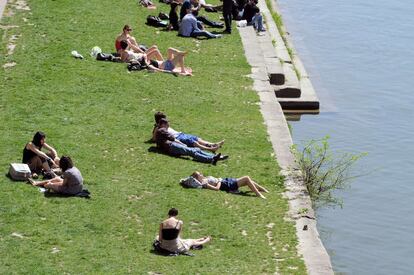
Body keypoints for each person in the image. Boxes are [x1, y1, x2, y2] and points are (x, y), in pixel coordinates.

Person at [154, 119, 228, 164]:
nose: (168, 125)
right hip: (171, 147)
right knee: (191, 152)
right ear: (163, 124)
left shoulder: (159, 130)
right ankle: (211, 159)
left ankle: (214, 157)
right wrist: (183, 144)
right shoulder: (162, 130)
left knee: (196, 149)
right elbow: (173, 139)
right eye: (167, 124)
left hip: (171, 146)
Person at [152, 112, 224, 152]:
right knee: (194, 143)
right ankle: (210, 149)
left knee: (197, 139)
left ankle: (213, 144)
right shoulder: (158, 128)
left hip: (180, 134)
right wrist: (157, 126)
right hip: (177, 137)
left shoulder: (164, 123)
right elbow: (154, 139)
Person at [192, 171, 269, 199]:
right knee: (246, 178)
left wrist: (219, 180)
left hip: (226, 181)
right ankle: (258, 194)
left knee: (247, 181)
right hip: (226, 185)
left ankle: (261, 189)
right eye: (199, 174)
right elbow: (216, 188)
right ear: (197, 178)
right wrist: (219, 181)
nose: (201, 174)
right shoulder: (205, 183)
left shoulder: (205, 179)